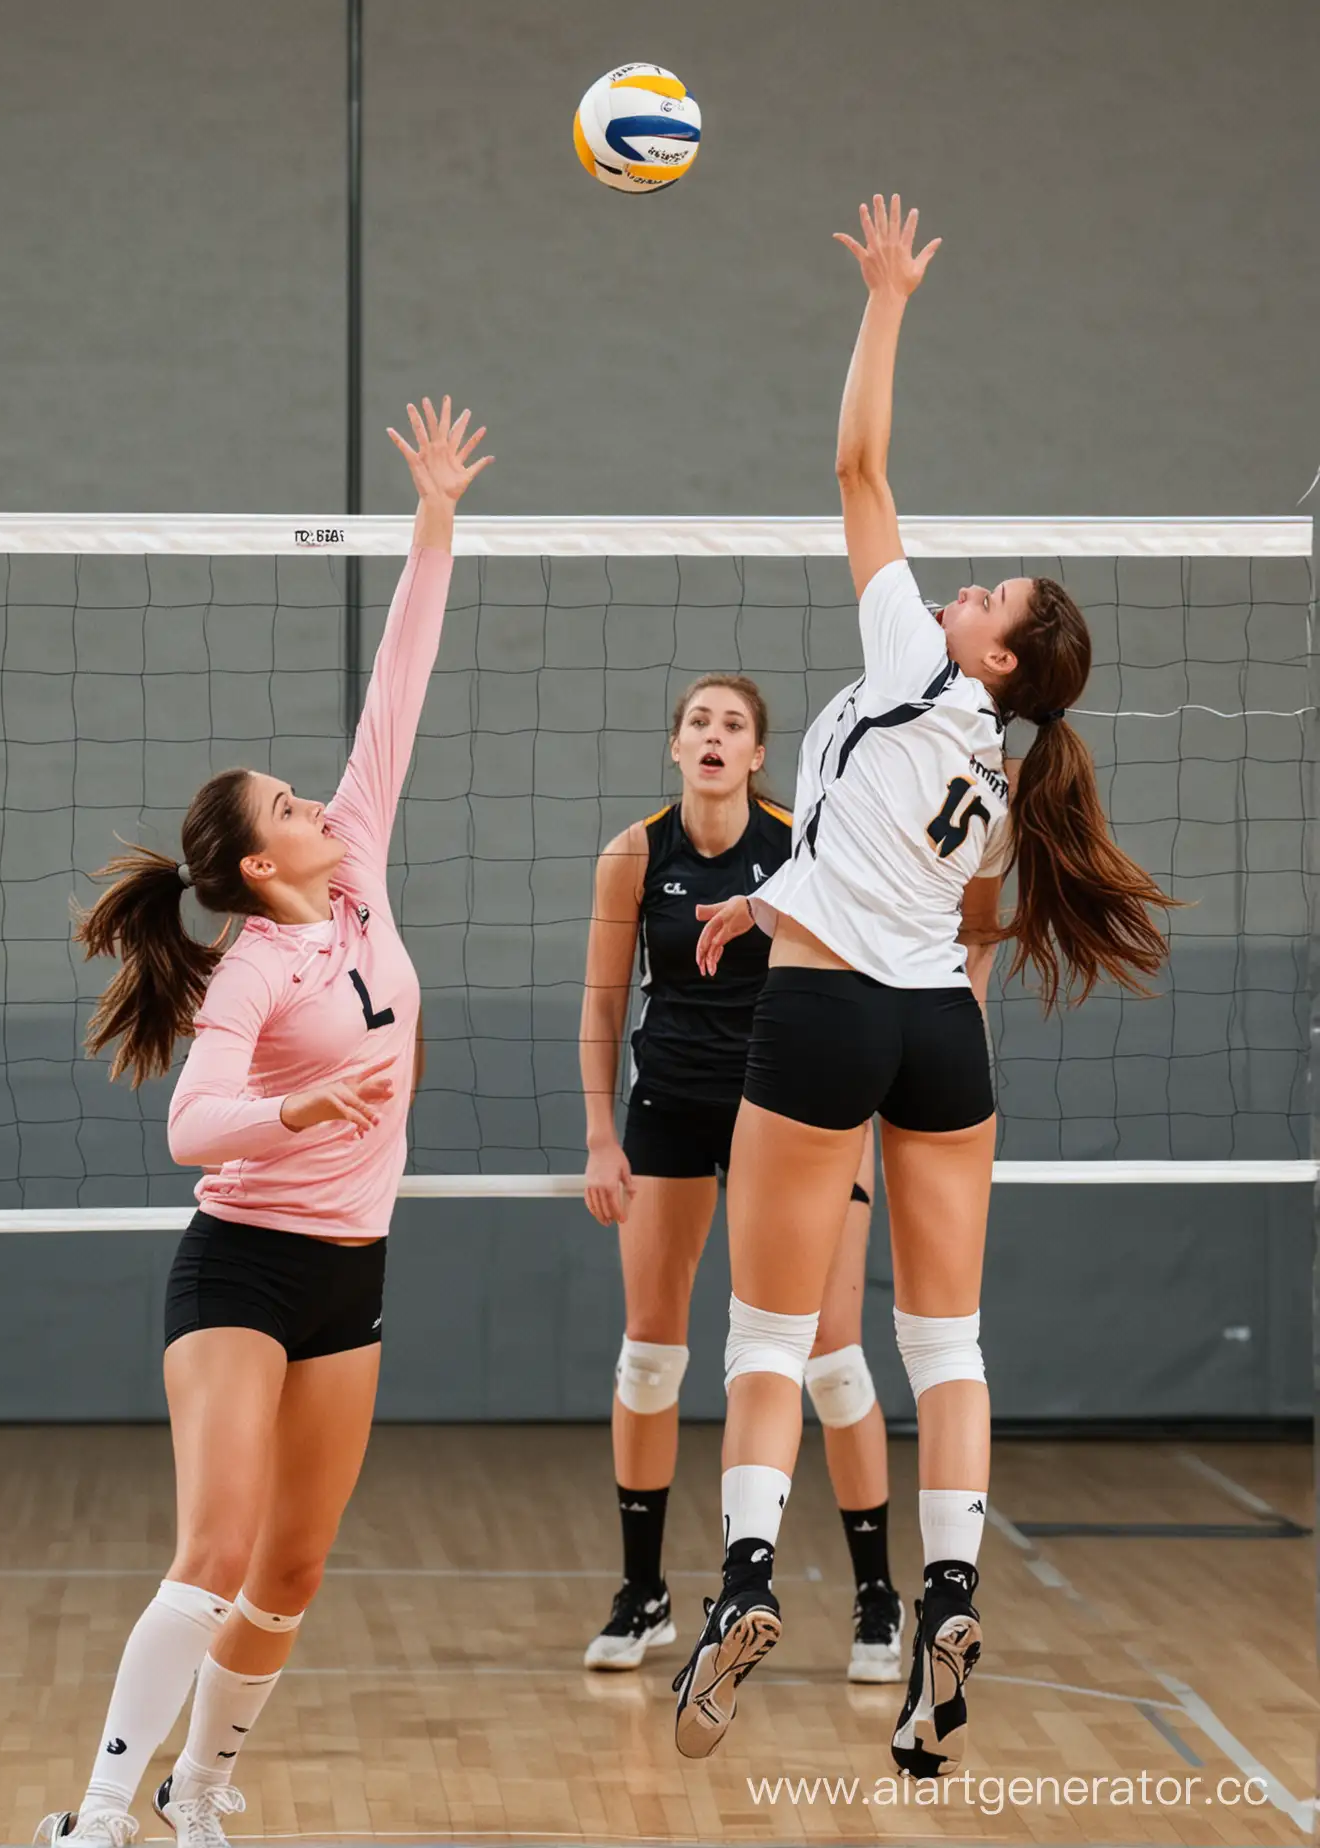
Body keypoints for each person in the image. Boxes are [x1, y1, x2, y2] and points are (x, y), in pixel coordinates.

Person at [672, 197, 1176, 1776]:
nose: (959, 589)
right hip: (938, 1038)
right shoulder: (999, 770)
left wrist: (888, 302)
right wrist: (771, 901)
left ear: (1001, 660)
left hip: (823, 1023)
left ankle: (746, 1583)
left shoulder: (920, 669)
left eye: (989, 598)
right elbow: (919, 898)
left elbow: (859, 473)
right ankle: (948, 1602)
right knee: (945, 1348)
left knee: (764, 1334)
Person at [35, 399, 491, 1848]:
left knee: (290, 1575)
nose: (323, 805)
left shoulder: (359, 880)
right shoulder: (252, 965)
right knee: (217, 1553)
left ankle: (201, 1793)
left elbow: (395, 696)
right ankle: (100, 1814)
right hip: (239, 1269)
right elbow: (192, 1128)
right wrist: (299, 1104)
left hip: (351, 1274)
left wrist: (434, 521)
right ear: (254, 858)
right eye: (294, 804)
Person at [580, 676, 902, 1684]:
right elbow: (599, 1010)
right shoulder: (635, 854)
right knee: (649, 1355)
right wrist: (600, 1134)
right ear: (675, 746)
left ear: (759, 754)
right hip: (670, 1103)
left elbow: (854, 989)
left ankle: (877, 1597)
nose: (714, 738)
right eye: (698, 724)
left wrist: (854, 1138)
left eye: (734, 726)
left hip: (793, 1112)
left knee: (833, 1356)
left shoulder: (799, 843)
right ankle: (645, 1595)